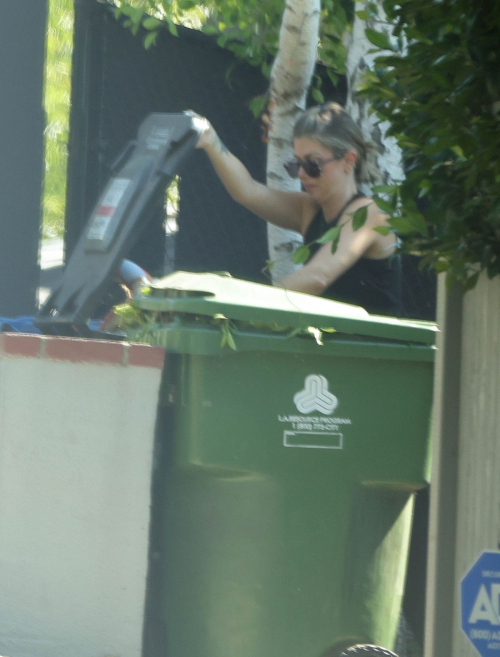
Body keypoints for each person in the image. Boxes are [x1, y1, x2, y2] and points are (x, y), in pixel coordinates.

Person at [195, 102, 401, 316]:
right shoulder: (308, 209)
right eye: (296, 165)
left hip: (378, 346)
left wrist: (245, 305)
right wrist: (210, 140)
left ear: (348, 160)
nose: (302, 174)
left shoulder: (368, 213)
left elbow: (317, 277)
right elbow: (248, 191)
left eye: (313, 164)